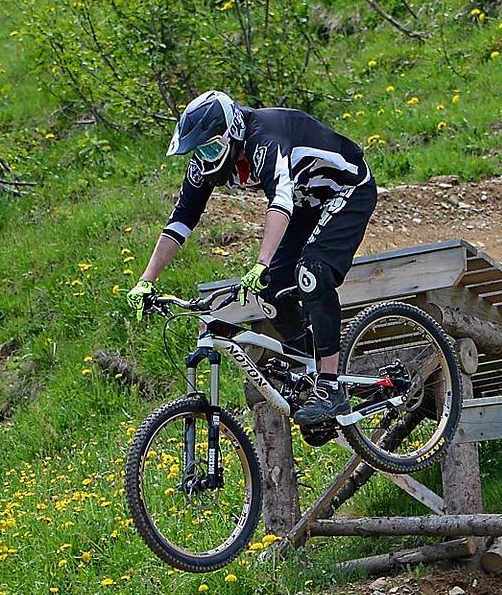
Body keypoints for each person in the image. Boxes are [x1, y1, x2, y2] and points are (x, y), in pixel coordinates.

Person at [125, 90, 377, 429]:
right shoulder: (203, 164)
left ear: (232, 133)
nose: (205, 159)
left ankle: (331, 388)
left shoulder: (264, 139)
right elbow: (182, 219)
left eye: (211, 149)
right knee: (271, 288)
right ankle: (310, 372)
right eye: (198, 152)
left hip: (347, 188)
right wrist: (147, 280)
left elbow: (281, 201)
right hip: (307, 200)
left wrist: (260, 262)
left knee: (311, 273)